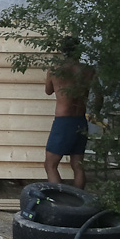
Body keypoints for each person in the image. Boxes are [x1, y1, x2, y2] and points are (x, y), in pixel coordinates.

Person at [44, 36, 95, 189]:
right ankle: (78, 199)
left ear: (63, 51)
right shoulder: (88, 70)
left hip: (63, 121)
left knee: (50, 165)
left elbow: (48, 91)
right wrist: (96, 112)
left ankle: (59, 199)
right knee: (78, 165)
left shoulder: (55, 70)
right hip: (80, 120)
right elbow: (99, 95)